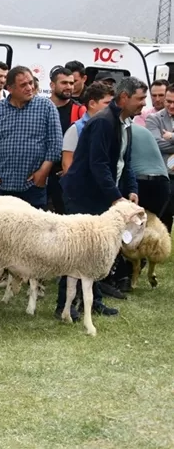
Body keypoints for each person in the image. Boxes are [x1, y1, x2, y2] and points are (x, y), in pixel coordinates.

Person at [60, 76, 148, 318]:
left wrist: (130, 191)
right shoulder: (102, 122)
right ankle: (63, 306)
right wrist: (116, 199)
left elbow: (124, 162)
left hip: (104, 195)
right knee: (75, 251)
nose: (144, 103)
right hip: (82, 195)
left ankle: (93, 300)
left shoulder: (125, 123)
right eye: (140, 98)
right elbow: (98, 164)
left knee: (97, 252)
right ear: (124, 97)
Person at [0, 66, 62, 209]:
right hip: (0, 183)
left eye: (31, 83)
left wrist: (43, 172)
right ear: (10, 88)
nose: (30, 88)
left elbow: (55, 143)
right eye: (23, 85)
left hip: (32, 185)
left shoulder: (46, 107)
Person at [47, 66, 85, 214]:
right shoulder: (40, 107)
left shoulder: (79, 110)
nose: (69, 87)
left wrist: (71, 168)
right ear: (52, 85)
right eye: (64, 83)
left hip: (63, 175)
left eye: (71, 83)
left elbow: (84, 144)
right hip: (40, 173)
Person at [61, 82, 114, 174]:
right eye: (107, 103)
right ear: (92, 104)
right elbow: (67, 164)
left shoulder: (113, 126)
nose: (112, 107)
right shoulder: (76, 129)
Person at [145, 84, 174, 230]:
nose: (171, 105)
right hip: (165, 176)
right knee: (164, 217)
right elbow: (156, 144)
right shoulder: (153, 119)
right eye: (168, 101)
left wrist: (172, 137)